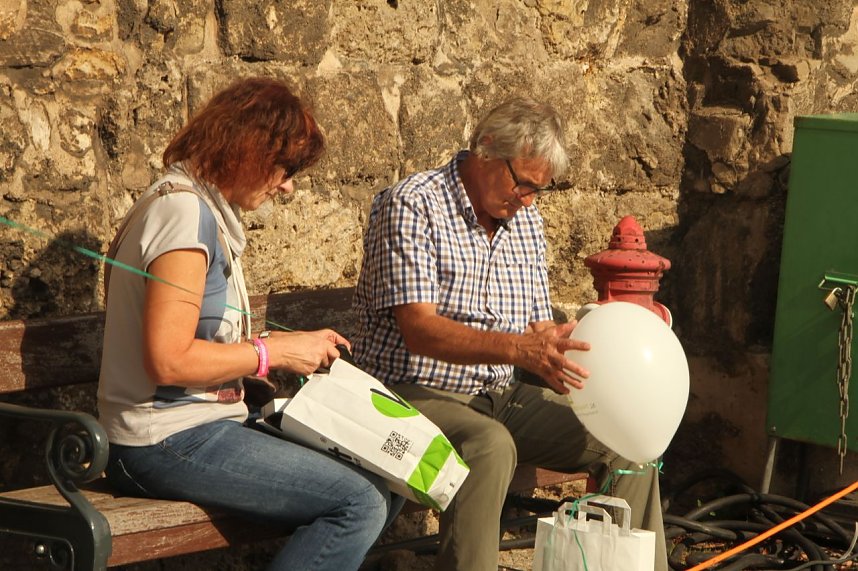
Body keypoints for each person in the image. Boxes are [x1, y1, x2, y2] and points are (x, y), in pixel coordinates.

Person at [98, 77, 402, 571]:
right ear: (248, 150)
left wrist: (282, 344)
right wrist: (273, 353)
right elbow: (168, 359)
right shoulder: (181, 213)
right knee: (359, 502)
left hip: (203, 428)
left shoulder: (200, 209)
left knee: (391, 475)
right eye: (285, 167)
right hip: (161, 442)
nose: (287, 184)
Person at [352, 97, 668, 571]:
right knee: (490, 445)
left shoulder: (525, 220)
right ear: (484, 150)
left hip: (499, 392)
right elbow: (420, 331)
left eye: (538, 190)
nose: (527, 200)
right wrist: (520, 348)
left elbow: (536, 326)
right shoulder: (412, 204)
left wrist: (563, 347)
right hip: (406, 392)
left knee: (628, 438)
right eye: (522, 183)